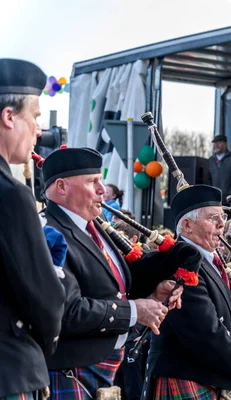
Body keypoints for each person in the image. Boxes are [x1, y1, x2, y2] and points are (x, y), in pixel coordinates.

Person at [42, 147, 186, 398]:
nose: (102, 189)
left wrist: (151, 294)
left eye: (101, 180)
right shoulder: (50, 232)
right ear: (62, 187)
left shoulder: (94, 227)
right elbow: (67, 310)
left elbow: (110, 289)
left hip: (105, 365)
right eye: (92, 181)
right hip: (71, 367)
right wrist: (135, 311)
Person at [144, 184, 231, 399]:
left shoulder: (210, 261)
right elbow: (206, 331)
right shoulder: (179, 264)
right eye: (213, 218)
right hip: (185, 380)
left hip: (207, 378)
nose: (222, 225)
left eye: (222, 217)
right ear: (187, 225)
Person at [0, 58, 66, 399]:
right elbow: (46, 300)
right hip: (10, 370)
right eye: (35, 116)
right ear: (9, 117)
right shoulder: (11, 195)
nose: (39, 130)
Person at [208, 134, 231, 203]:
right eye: (215, 143)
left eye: (219, 142)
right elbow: (208, 179)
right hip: (215, 200)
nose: (216, 145)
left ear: (225, 144)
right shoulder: (210, 160)